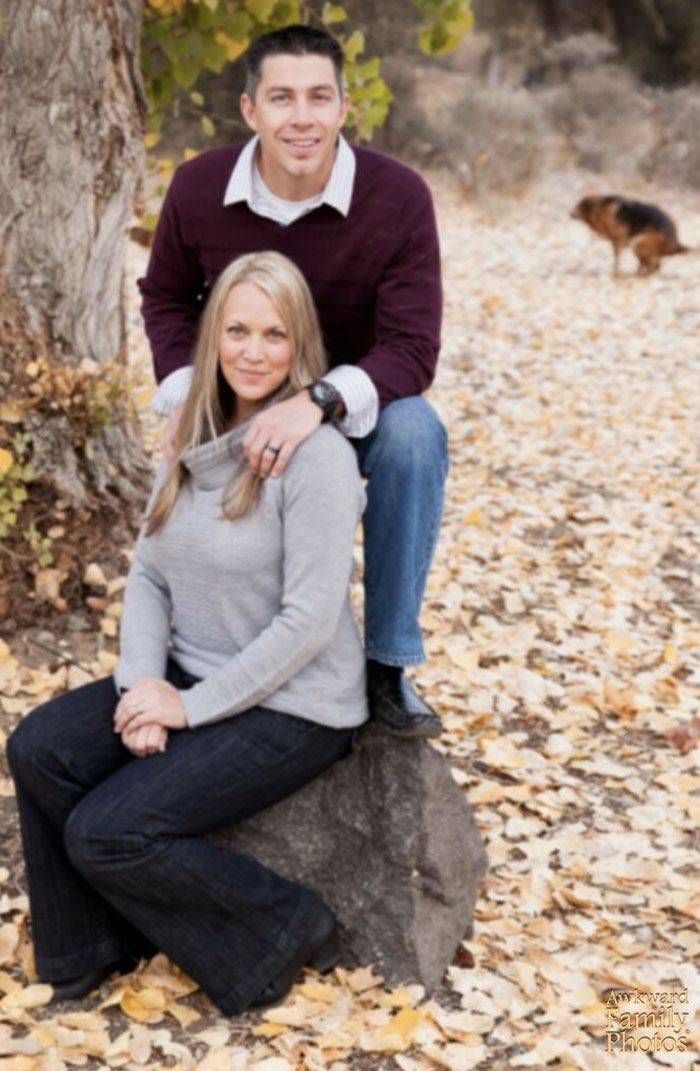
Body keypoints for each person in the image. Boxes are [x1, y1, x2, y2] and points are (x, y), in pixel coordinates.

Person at [7, 251, 367, 1015]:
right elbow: (149, 572)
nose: (253, 350)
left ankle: (290, 925)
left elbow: (307, 623)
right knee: (38, 747)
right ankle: (88, 949)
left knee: (108, 832)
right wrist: (144, 681)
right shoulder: (190, 436)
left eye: (275, 333)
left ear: (299, 342)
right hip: (193, 668)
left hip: (295, 703)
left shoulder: (319, 459)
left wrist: (186, 709)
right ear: (212, 336)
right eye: (237, 328)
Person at [139, 24, 448, 740]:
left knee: (415, 433)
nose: (300, 117)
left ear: (344, 108)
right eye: (281, 97)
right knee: (181, 432)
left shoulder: (399, 198)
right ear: (250, 109)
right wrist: (188, 392)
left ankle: (387, 664)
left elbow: (412, 345)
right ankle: (195, 649)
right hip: (240, 392)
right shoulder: (196, 186)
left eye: (318, 97)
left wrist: (318, 401)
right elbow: (165, 297)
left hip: (348, 404)